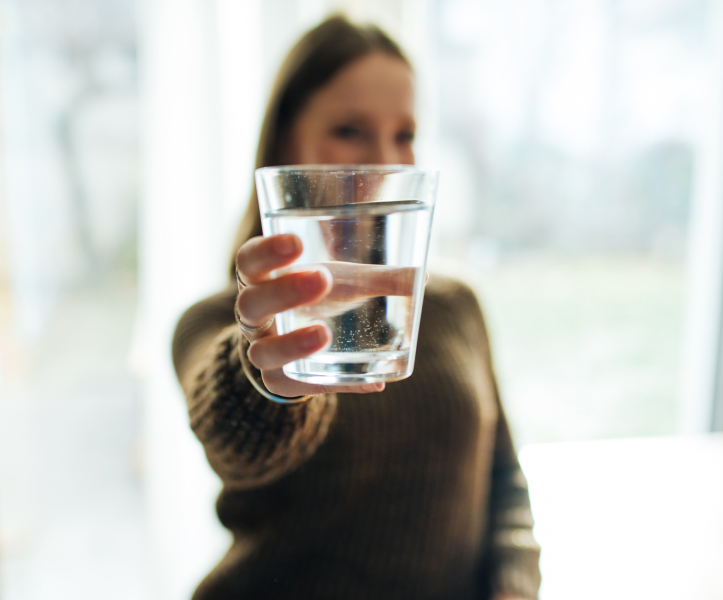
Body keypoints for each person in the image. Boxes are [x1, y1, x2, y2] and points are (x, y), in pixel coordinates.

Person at [172, 15, 541, 600]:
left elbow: (505, 486)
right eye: (350, 130)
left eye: (405, 133)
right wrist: (269, 376)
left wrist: (515, 588)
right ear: (285, 143)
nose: (386, 161)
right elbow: (236, 444)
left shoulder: (453, 309)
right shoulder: (218, 323)